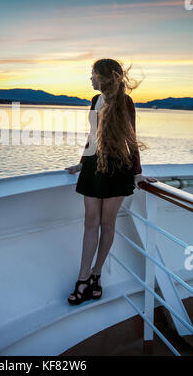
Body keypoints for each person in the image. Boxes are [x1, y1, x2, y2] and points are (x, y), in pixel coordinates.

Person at [65, 58, 157, 305]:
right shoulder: (95, 101)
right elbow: (92, 138)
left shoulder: (125, 102)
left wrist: (138, 173)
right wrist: (81, 163)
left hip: (118, 168)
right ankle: (82, 278)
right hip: (94, 167)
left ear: (104, 77)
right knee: (90, 222)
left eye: (93, 74)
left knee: (107, 223)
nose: (90, 79)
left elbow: (132, 139)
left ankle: (96, 274)